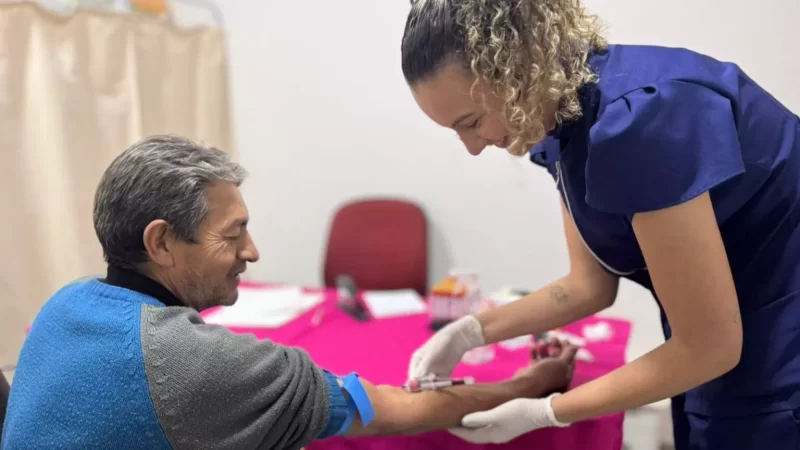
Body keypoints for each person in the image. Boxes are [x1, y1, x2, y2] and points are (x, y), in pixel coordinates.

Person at [1, 135, 577, 450]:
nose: (252, 253)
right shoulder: (192, 364)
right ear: (161, 243)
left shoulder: (62, 306)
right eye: (233, 234)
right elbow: (393, 410)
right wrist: (529, 385)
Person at [400, 0, 800, 449]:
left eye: (471, 123)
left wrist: (545, 413)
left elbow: (710, 346)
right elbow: (588, 284)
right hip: (715, 343)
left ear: (516, 67)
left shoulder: (640, 120)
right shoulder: (565, 124)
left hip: (778, 354)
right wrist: (468, 332)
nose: (473, 148)